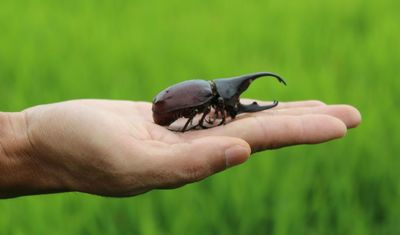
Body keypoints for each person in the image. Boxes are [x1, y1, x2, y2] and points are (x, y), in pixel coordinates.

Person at [0, 99, 361, 198]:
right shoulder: (208, 98)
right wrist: (27, 139)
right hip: (169, 110)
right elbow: (198, 111)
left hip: (168, 107)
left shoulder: (214, 99)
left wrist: (23, 138)